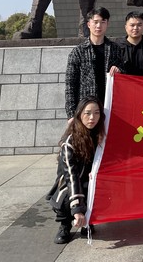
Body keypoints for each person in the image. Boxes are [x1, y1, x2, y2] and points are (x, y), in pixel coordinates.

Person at [49, 96, 105, 244]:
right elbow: (72, 177)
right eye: (87, 113)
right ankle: (65, 225)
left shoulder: (101, 137)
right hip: (70, 184)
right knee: (67, 197)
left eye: (97, 113)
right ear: (79, 115)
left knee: (99, 190)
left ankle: (88, 221)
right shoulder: (70, 142)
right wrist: (77, 210)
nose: (92, 118)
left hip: (90, 182)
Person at [65, 7, 123, 118]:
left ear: (107, 24)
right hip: (86, 110)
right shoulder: (78, 52)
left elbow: (125, 74)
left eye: (103, 22)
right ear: (88, 24)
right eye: (95, 22)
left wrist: (119, 70)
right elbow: (70, 85)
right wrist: (71, 114)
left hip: (111, 108)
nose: (98, 26)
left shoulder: (115, 49)